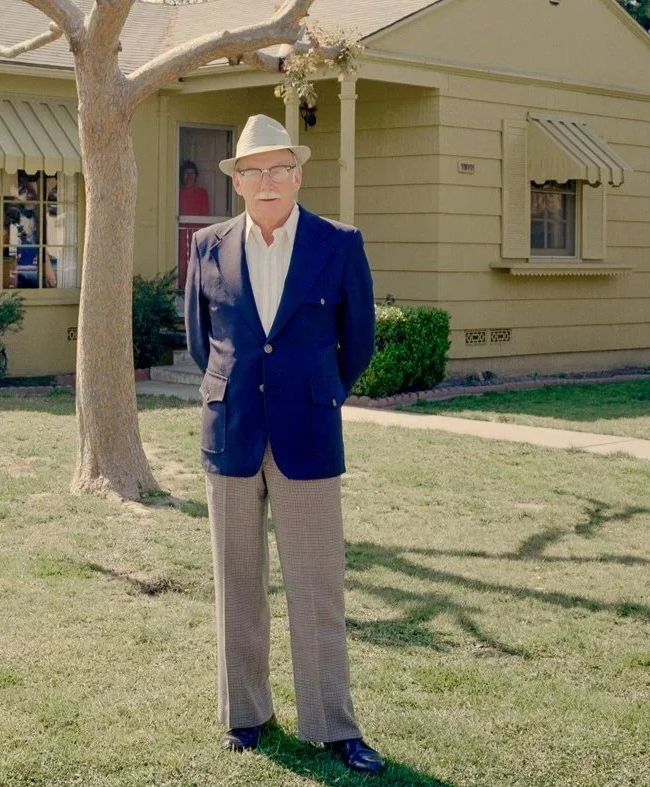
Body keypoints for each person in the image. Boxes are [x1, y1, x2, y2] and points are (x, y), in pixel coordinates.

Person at [183, 114, 383, 775]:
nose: (266, 181)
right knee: (237, 582)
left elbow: (359, 343)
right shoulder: (209, 247)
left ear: (297, 175)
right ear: (237, 182)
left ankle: (334, 725)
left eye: (278, 169)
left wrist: (317, 390)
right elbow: (200, 341)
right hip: (232, 432)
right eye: (252, 171)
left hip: (309, 433)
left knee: (316, 586)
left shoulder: (339, 242)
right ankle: (247, 716)